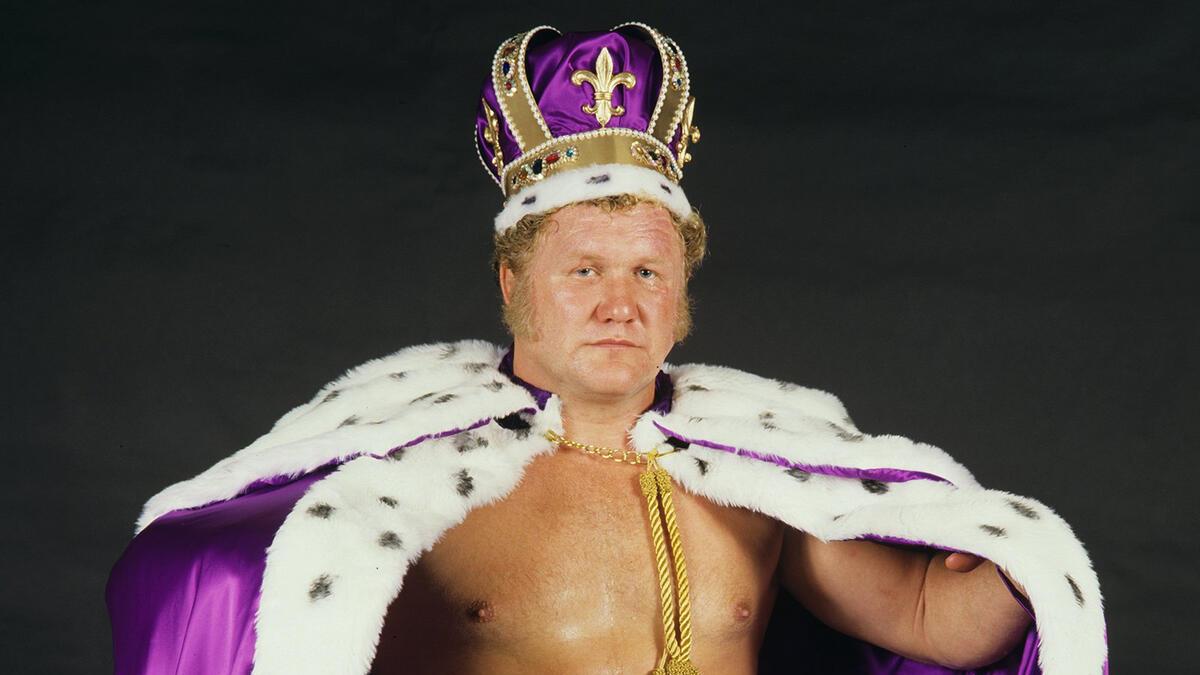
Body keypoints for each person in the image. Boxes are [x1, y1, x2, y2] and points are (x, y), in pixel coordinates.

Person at [107, 23, 1108, 675]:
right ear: (514, 285)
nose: (618, 302)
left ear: (681, 296)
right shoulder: (400, 484)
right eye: (583, 269)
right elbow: (230, 602)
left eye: (647, 272)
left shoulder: (760, 477)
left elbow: (934, 621)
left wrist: (1032, 557)